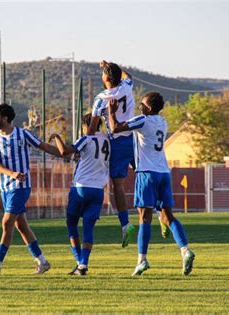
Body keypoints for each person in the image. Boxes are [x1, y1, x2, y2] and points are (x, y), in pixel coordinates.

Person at [108, 92, 195, 276]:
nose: (140, 106)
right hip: (164, 172)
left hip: (147, 173)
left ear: (148, 108)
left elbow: (115, 128)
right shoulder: (163, 122)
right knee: (168, 216)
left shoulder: (142, 120)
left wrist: (112, 111)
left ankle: (142, 260)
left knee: (144, 217)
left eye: (142, 104)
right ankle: (185, 250)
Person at [0, 103, 62, 276]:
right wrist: (11, 173)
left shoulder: (22, 134)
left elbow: (44, 146)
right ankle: (43, 262)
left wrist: (65, 153)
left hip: (20, 186)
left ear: (5, 118)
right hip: (5, 187)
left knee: (6, 222)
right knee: (21, 226)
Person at [49, 113, 110, 276]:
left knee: (72, 224)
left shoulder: (86, 138)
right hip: (98, 190)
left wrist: (56, 137)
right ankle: (83, 264)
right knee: (88, 228)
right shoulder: (107, 140)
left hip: (81, 188)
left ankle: (78, 261)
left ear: (86, 126)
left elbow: (64, 151)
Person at [88, 60, 136, 247]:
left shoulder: (101, 99)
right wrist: (111, 64)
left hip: (117, 143)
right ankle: (160, 213)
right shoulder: (126, 87)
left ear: (106, 78)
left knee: (118, 186)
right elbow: (128, 76)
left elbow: (91, 129)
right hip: (134, 138)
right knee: (146, 174)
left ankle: (125, 225)